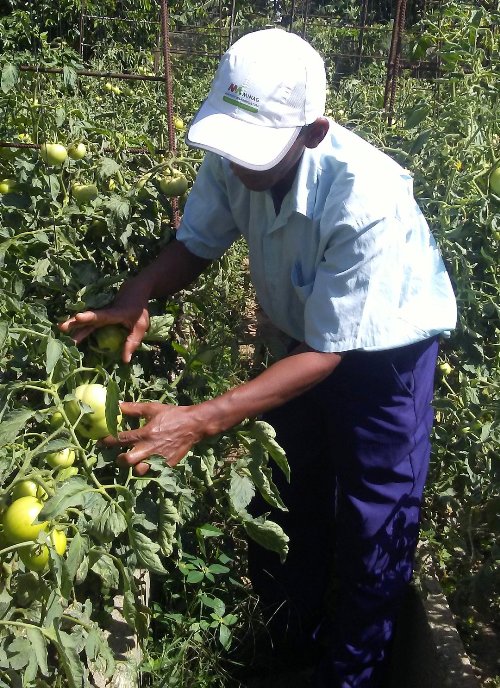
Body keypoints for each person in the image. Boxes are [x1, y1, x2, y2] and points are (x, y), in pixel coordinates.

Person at [59, 28, 457, 688]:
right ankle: (288, 640)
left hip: (386, 353)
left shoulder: (367, 198)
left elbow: (335, 353)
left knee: (373, 517)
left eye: (256, 154)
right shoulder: (237, 155)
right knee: (289, 490)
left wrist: (203, 416)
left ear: (312, 132)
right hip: (301, 343)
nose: (239, 166)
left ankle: (351, 676)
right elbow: (199, 242)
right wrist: (139, 291)